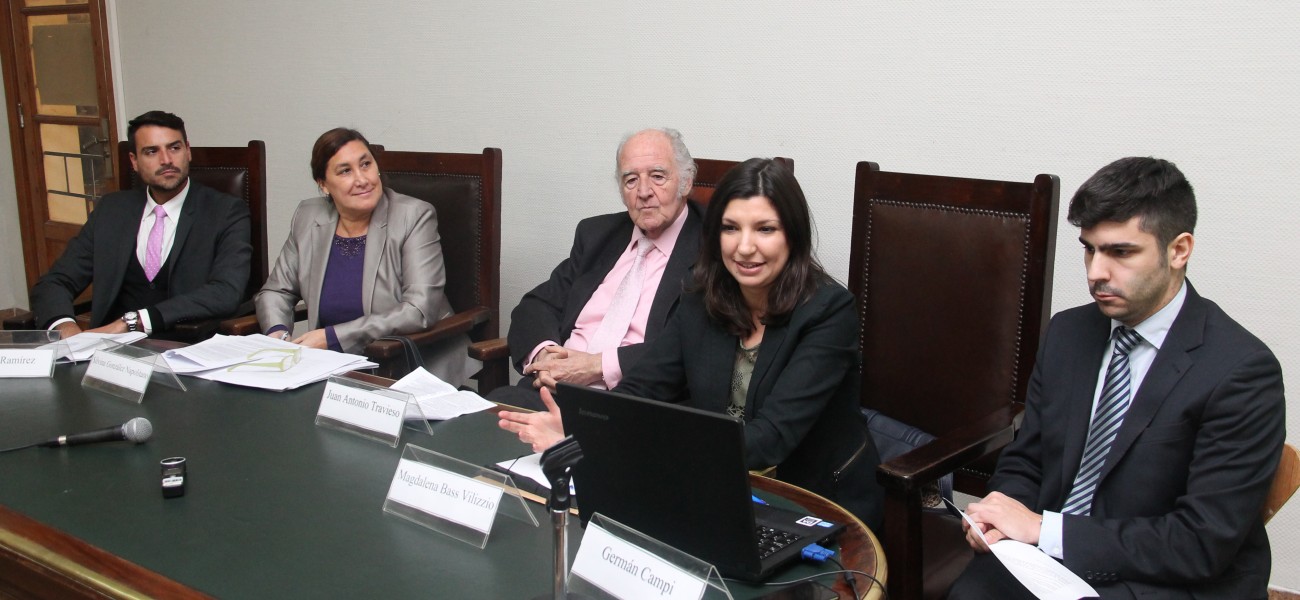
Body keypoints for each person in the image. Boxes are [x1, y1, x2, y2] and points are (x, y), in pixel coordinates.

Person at [950, 157, 1286, 599]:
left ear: (1179, 250)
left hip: (1164, 577)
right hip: (1049, 556)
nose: (1095, 272)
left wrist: (1045, 530)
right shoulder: (1069, 333)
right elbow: (1028, 458)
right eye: (1089, 248)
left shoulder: (1240, 370)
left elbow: (1200, 542)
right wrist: (999, 514)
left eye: (1120, 252)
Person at [499, 158, 884, 529]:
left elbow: (770, 440)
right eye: (731, 228)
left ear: (793, 235)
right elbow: (643, 387)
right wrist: (582, 430)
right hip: (720, 486)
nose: (745, 247)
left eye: (765, 229)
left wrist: (627, 446)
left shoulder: (829, 311)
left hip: (813, 500)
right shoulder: (703, 295)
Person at [487, 128, 703, 409]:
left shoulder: (713, 245)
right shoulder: (598, 235)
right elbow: (537, 305)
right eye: (631, 180)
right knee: (477, 421)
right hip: (550, 391)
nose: (644, 192)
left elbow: (696, 344)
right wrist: (545, 357)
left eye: (658, 176)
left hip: (632, 403)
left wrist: (597, 366)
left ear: (685, 183)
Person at [254, 128, 474, 385]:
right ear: (323, 184)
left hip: (412, 366)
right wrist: (278, 333)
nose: (362, 179)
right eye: (345, 171)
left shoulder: (414, 216)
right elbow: (276, 291)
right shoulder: (308, 216)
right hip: (329, 370)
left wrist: (333, 337)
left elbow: (418, 310)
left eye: (366, 164)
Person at [30, 110, 251, 340]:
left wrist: (133, 322)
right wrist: (68, 331)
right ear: (134, 161)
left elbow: (226, 292)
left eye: (174, 148)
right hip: (108, 355)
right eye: (152, 151)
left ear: (188, 151)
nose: (166, 160)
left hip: (184, 352)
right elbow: (54, 283)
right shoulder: (111, 210)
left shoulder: (226, 212)